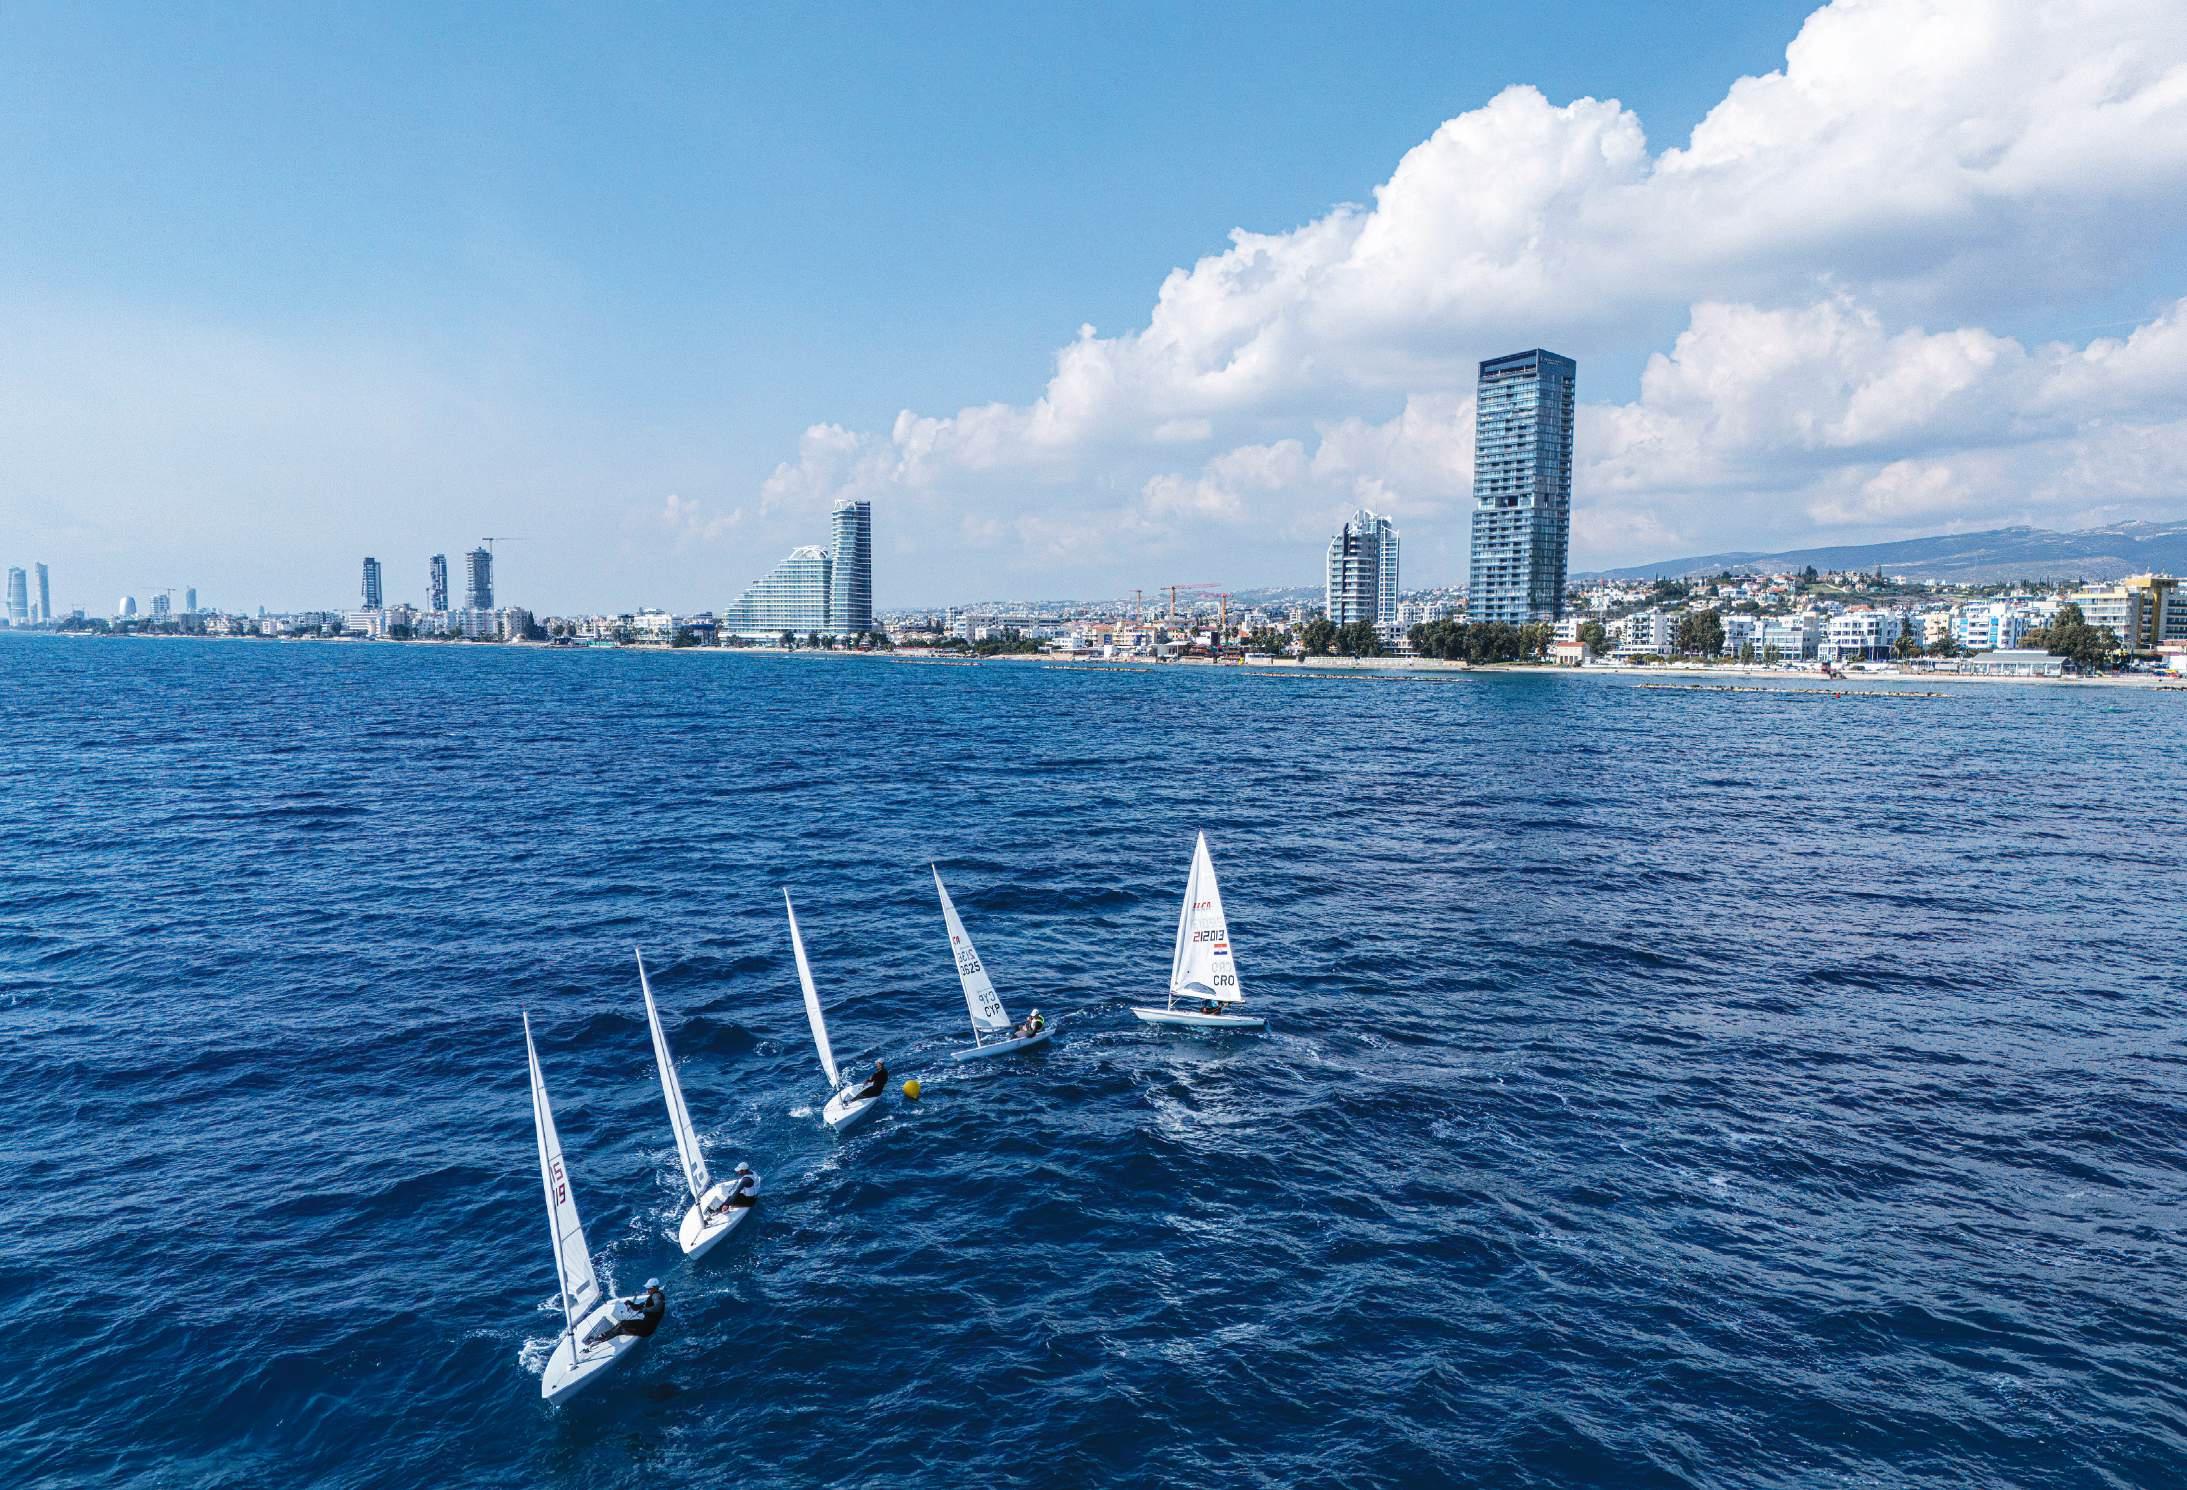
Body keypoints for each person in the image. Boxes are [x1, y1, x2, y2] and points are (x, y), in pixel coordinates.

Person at [584, 1279, 665, 1345]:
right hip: (646, 1326)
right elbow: (638, 1307)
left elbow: (658, 1307)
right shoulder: (652, 1297)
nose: (647, 1290)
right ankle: (602, 1338)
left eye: (649, 1288)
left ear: (654, 1288)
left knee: (622, 1324)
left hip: (647, 1328)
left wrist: (644, 1309)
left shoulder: (657, 1295)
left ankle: (601, 1338)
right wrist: (630, 1303)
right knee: (621, 1327)